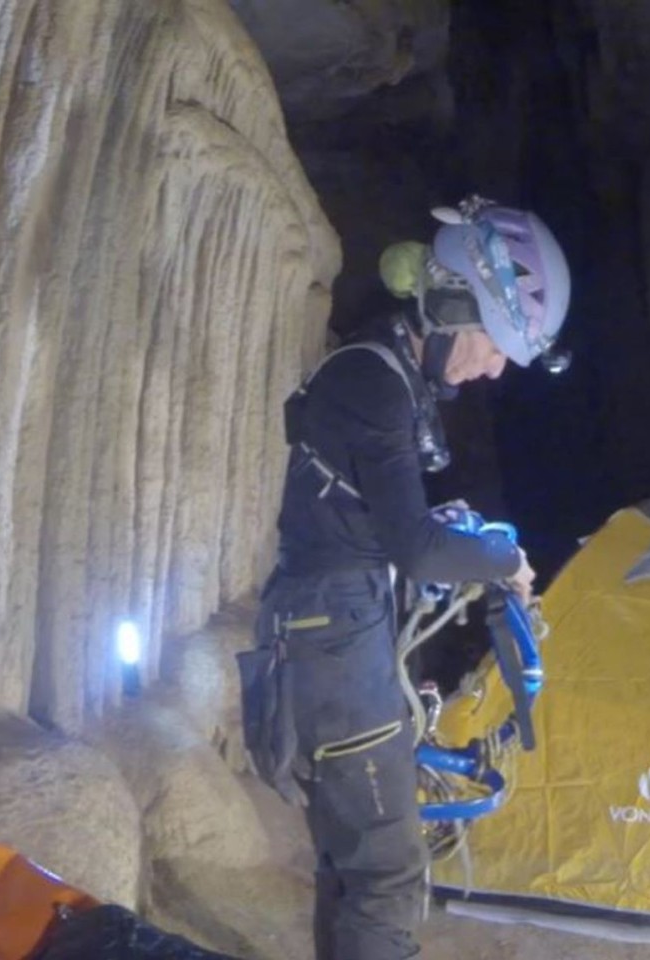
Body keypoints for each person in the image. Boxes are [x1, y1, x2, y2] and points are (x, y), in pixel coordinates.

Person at [242, 195, 572, 960]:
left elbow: (390, 529)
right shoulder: (373, 382)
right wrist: (505, 560)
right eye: (494, 345)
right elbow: (416, 548)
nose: (493, 369)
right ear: (455, 305)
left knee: (353, 867)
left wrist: (466, 543)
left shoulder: (390, 379)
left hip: (337, 632)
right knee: (387, 870)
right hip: (335, 644)